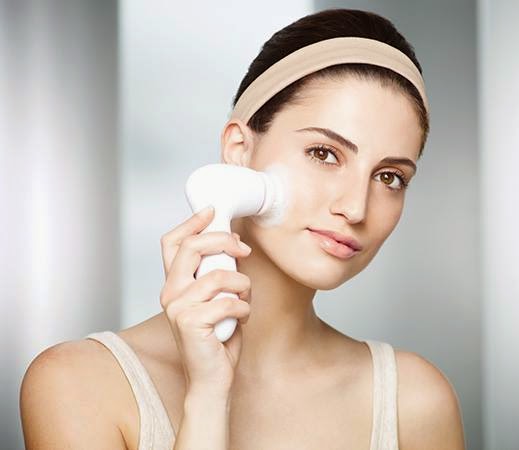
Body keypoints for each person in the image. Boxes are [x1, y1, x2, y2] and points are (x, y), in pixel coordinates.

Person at [20, 8, 466, 450]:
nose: (355, 207)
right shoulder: (79, 385)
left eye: (390, 177)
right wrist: (208, 398)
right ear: (238, 150)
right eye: (324, 153)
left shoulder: (415, 401)